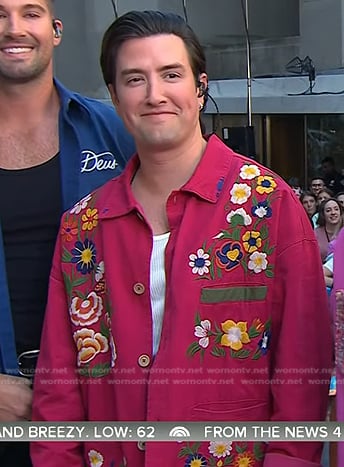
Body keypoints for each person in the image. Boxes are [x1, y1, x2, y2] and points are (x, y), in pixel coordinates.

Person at [32, 10, 332, 467]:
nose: (155, 95)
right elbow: (58, 387)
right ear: (114, 96)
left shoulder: (268, 206)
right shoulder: (81, 227)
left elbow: (302, 371)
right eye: (134, 79)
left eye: (170, 74)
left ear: (199, 86)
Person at [0, 0, 135, 465]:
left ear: (55, 30)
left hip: (102, 403)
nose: (14, 28)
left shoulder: (114, 129)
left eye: (30, 12)